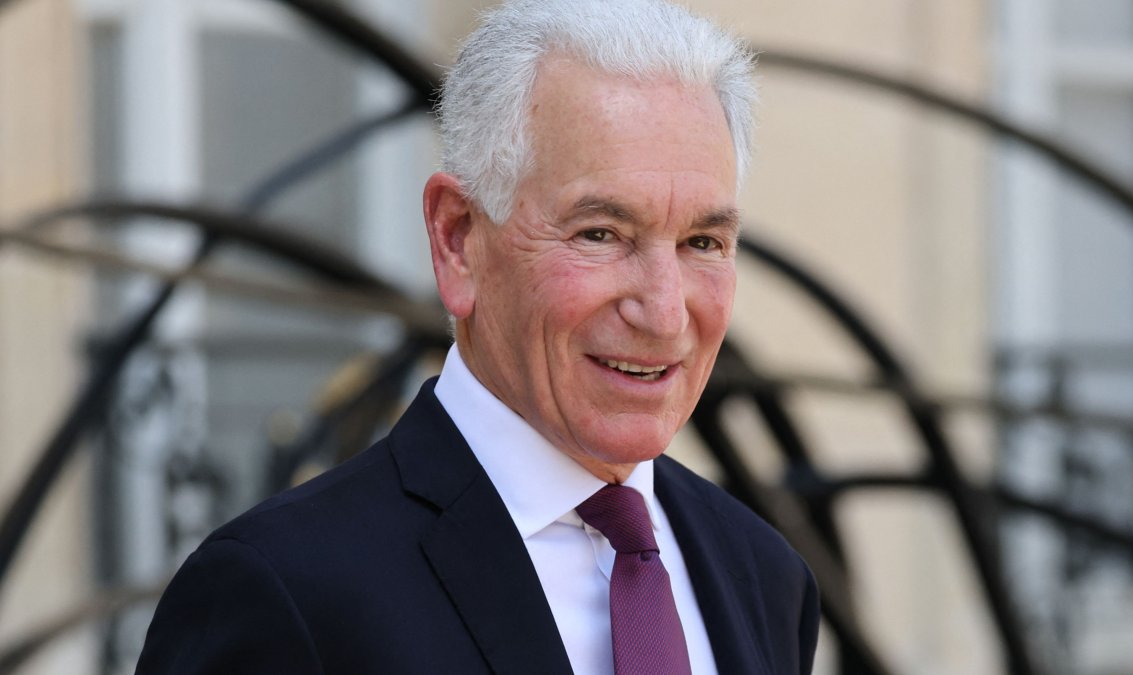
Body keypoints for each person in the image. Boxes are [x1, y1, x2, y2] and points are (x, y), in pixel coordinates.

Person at [135, 0, 820, 673]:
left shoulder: (764, 575)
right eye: (601, 234)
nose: (665, 312)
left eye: (703, 241)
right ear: (458, 239)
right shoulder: (284, 591)